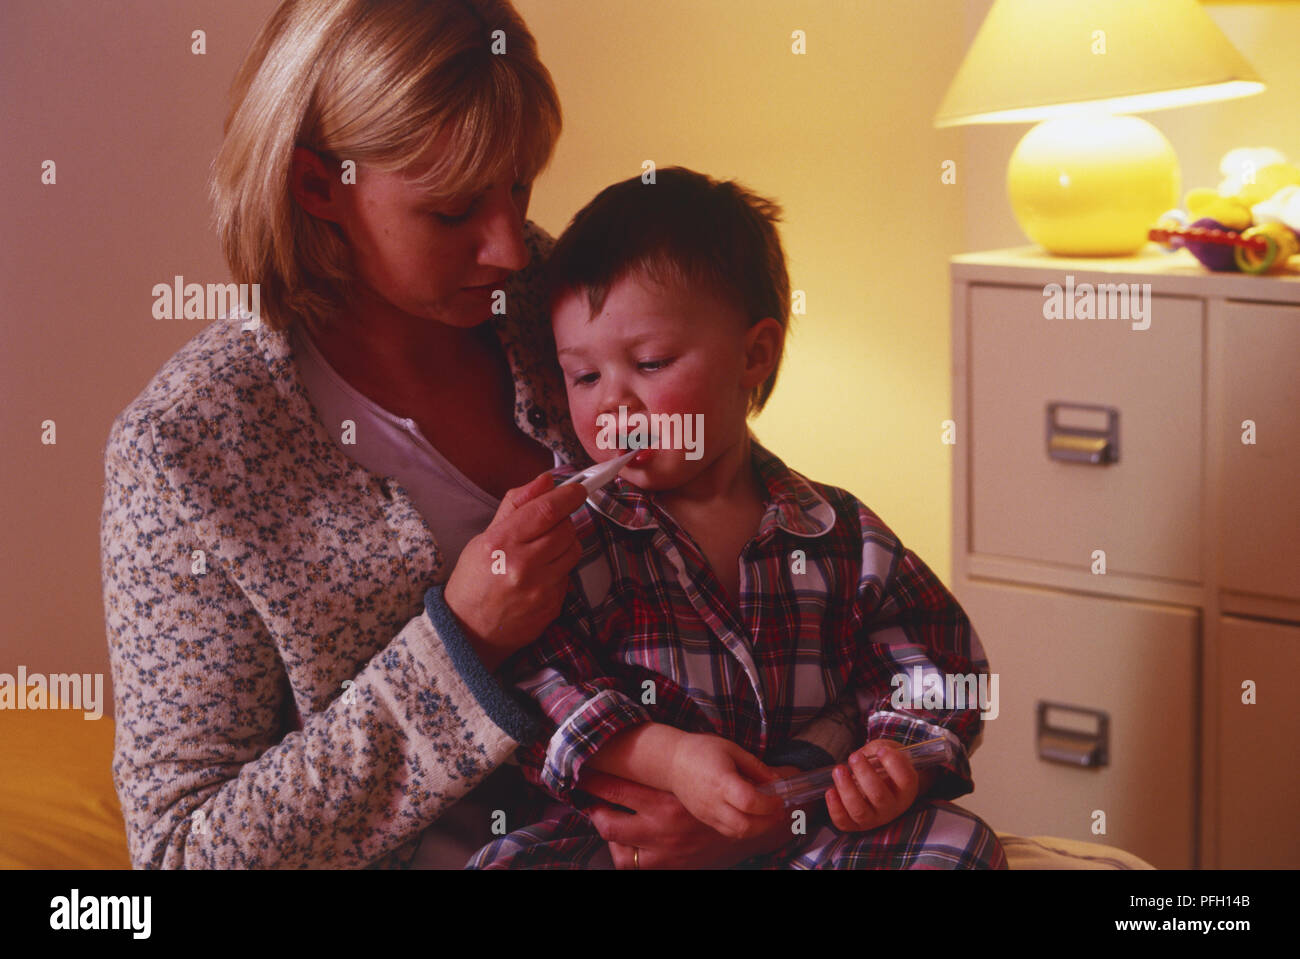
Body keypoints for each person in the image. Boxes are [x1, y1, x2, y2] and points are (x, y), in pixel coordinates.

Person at [101, 0, 794, 869]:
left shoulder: (564, 306)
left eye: (519, 186)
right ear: (319, 186)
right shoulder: (187, 453)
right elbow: (180, 857)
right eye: (454, 210)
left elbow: (768, 571)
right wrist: (463, 641)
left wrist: (763, 807)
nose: (509, 246)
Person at [468, 168, 1008, 868]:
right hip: (626, 844)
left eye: (651, 362)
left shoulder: (841, 532)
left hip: (809, 828)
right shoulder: (572, 536)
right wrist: (670, 759)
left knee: (958, 844)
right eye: (584, 376)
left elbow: (938, 660)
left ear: (755, 354)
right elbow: (533, 681)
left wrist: (894, 758)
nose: (612, 405)